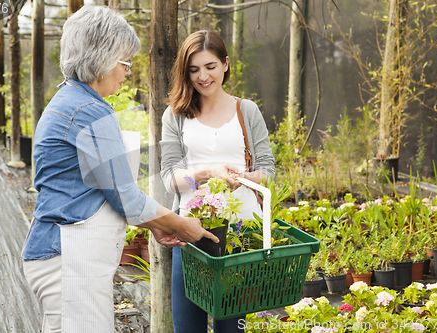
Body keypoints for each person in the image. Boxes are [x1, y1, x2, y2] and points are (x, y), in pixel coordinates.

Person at [21, 7, 218, 333]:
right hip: (69, 261)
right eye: (124, 62)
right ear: (100, 59)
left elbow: (107, 183)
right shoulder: (89, 112)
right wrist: (182, 225)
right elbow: (126, 197)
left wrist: (156, 224)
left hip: (64, 257)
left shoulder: (71, 101)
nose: (128, 71)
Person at [160, 30, 275, 333]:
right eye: (194, 69)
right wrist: (205, 173)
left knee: (231, 328)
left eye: (210, 66)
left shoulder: (245, 110)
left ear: (225, 64)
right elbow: (170, 177)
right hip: (191, 234)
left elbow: (268, 171)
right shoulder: (175, 115)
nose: (203, 77)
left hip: (240, 237)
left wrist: (245, 179)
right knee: (187, 327)